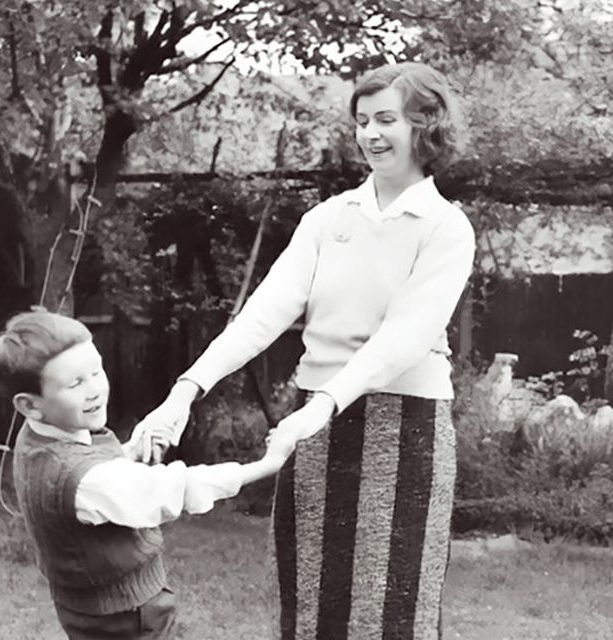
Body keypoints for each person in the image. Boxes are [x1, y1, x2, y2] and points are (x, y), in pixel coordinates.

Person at [135, 61, 475, 640]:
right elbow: (265, 314)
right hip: (315, 428)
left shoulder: (445, 227)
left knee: (390, 612)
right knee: (310, 603)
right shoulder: (326, 219)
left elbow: (404, 338)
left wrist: (319, 407)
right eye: (362, 120)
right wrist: (185, 390)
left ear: (426, 125)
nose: (370, 133)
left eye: (386, 119)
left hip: (404, 426)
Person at [0, 310, 286, 640]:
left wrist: (132, 449)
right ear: (30, 405)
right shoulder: (89, 480)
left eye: (96, 371)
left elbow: (85, 468)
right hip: (128, 618)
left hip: (87, 609)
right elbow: (174, 489)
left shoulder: (38, 437)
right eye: (75, 383)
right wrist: (267, 464)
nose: (95, 389)